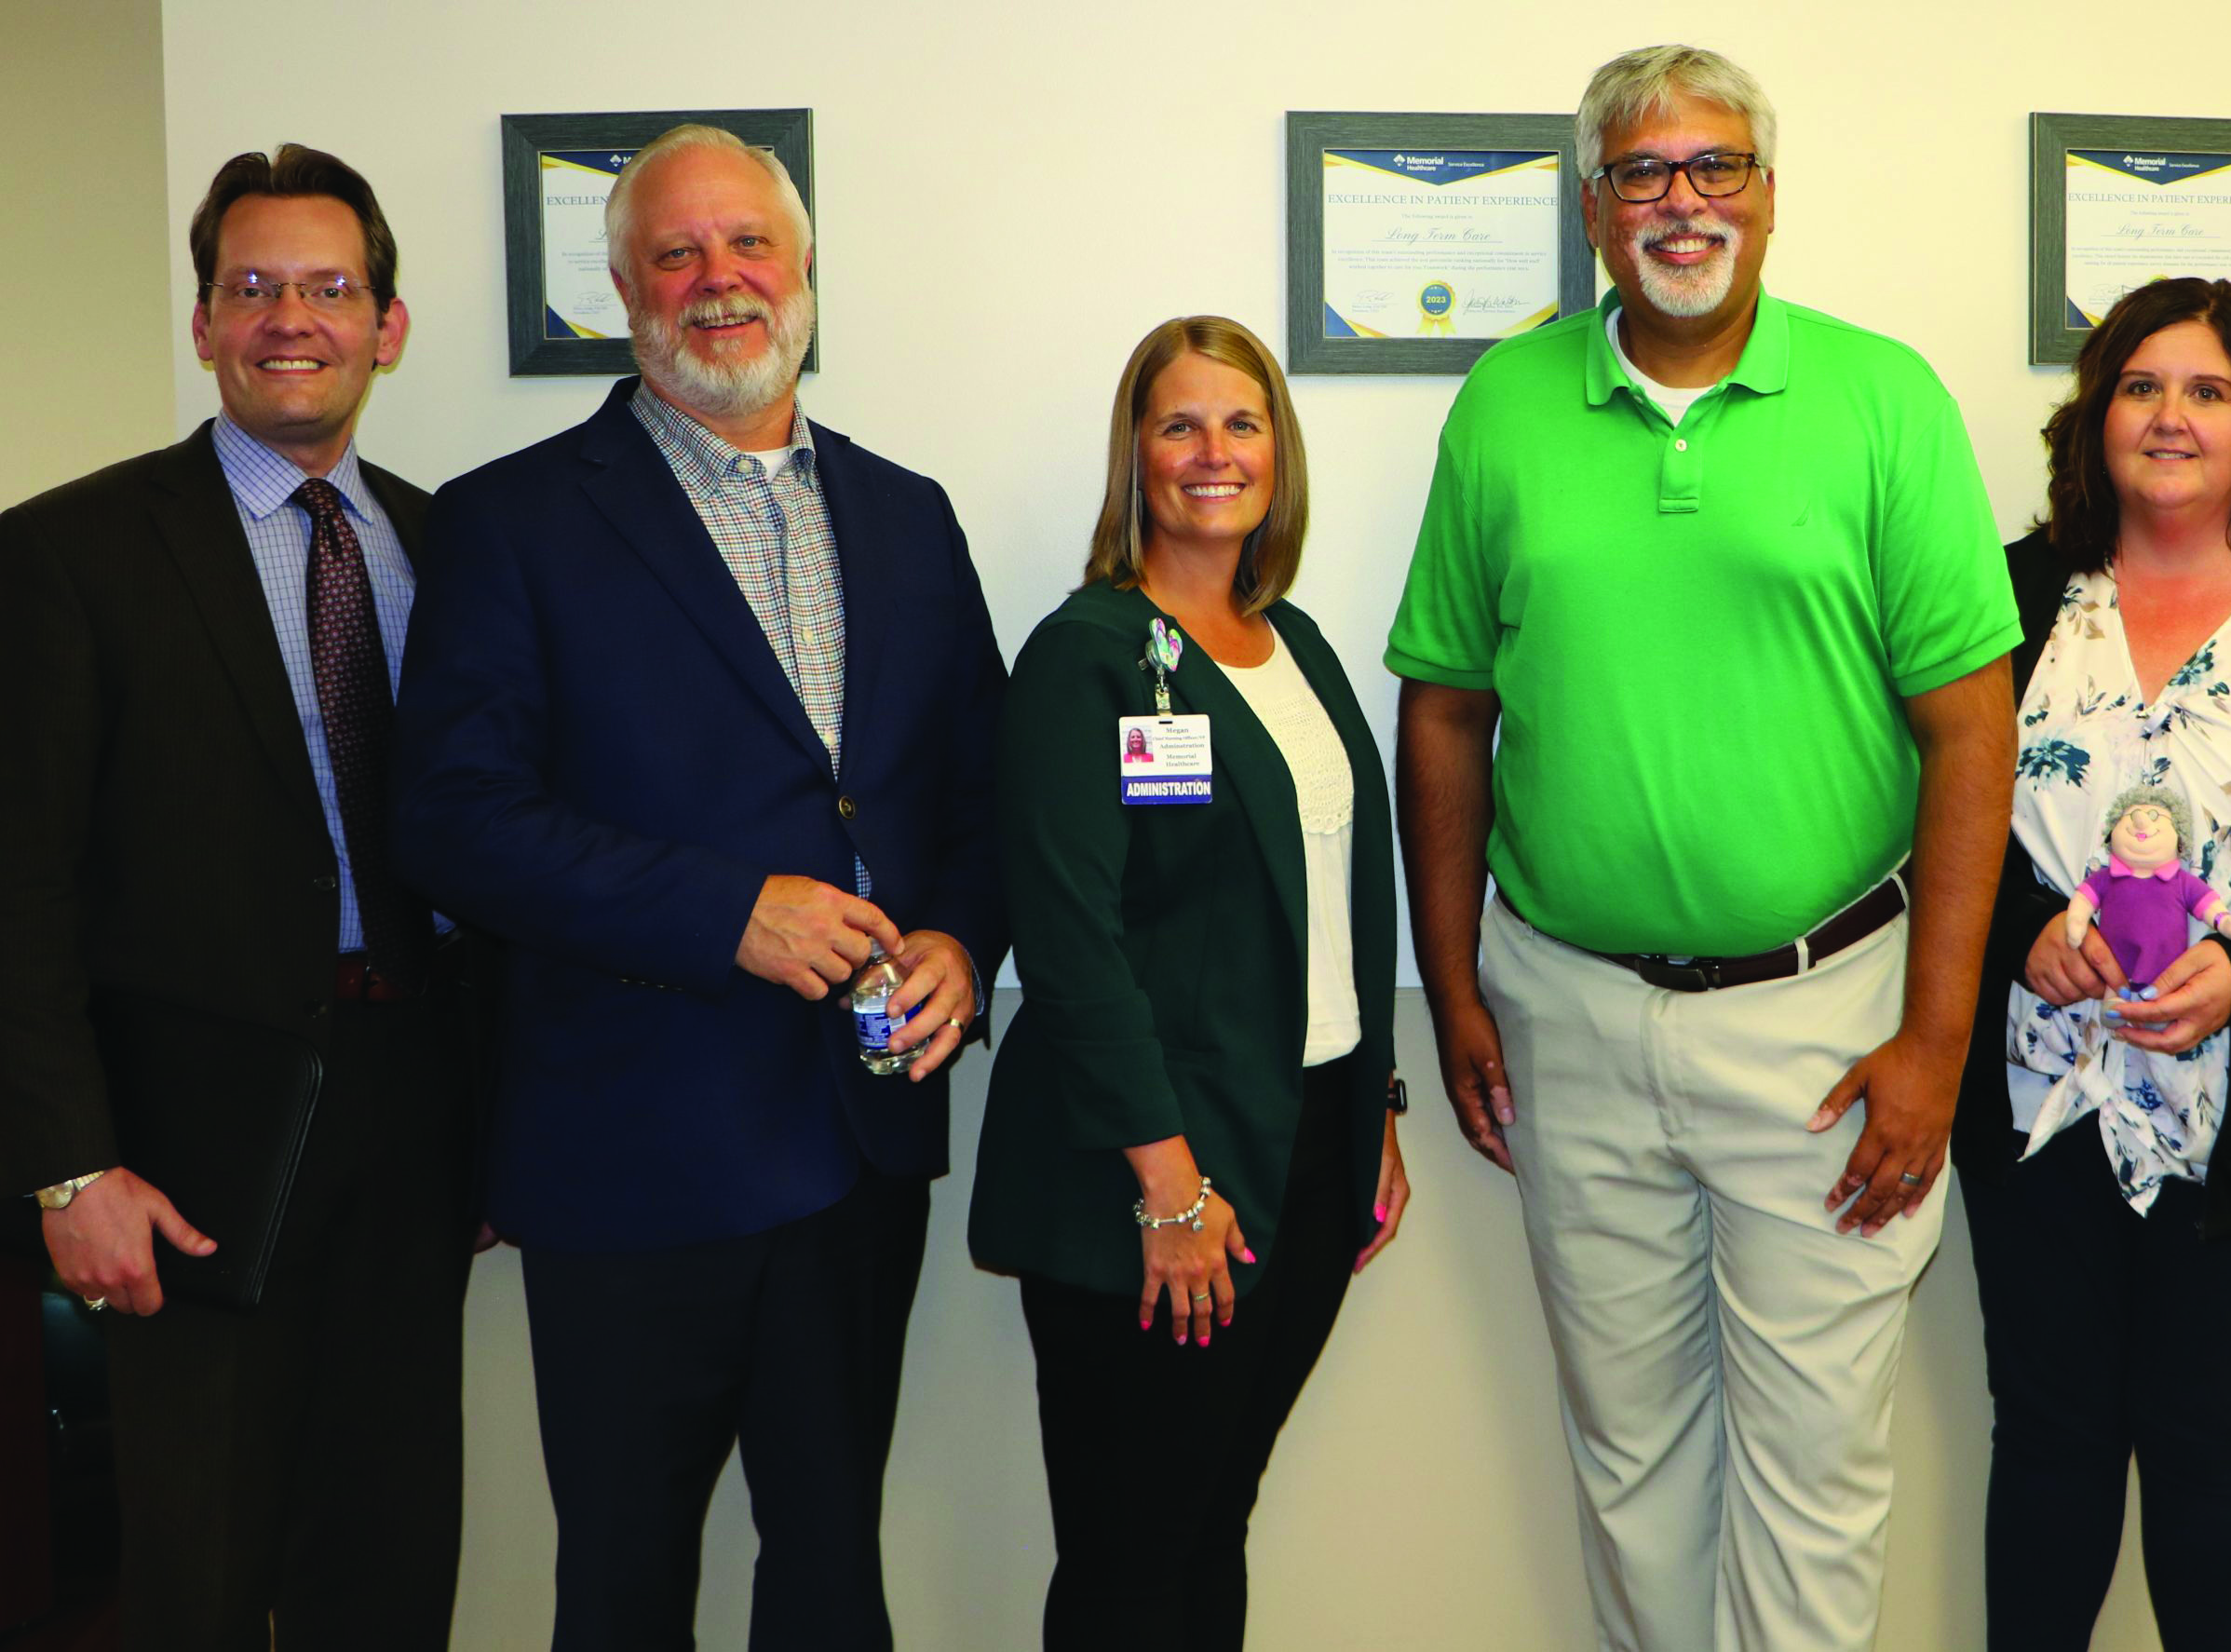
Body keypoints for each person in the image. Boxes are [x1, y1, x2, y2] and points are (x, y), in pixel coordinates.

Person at [1386, 44, 2021, 1652]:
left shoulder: (1882, 399)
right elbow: (1445, 711)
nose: (1683, 202)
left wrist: (1937, 1042)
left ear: (1769, 193)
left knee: (1816, 1476)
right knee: (1632, 1464)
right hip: (1569, 1013)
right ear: (1594, 210)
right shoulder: (1507, 404)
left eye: (1715, 165)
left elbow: (1973, 730)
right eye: (1643, 173)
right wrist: (1453, 990)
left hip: (1829, 1024)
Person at [389, 125, 1006, 1649]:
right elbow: (455, 820)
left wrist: (958, 934)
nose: (717, 280)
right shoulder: (510, 519)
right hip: (631, 1154)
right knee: (624, 1582)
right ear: (622, 291)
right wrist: (727, 912)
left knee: (832, 1573)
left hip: (860, 1141)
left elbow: (981, 798)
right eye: (675, 254)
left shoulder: (909, 513)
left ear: (805, 271)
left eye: (748, 246)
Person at [0, 145, 482, 1648]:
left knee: (390, 1559)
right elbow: (18, 886)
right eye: (253, 285)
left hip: (418, 1120)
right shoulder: (66, 553)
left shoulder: (453, 549)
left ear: (387, 327)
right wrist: (69, 1168)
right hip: (188, 1150)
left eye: (329, 288)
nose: (291, 318)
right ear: (204, 320)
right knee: (199, 1579)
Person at [1957, 275, 2231, 1652]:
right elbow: (1918, 816)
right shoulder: (2007, 595)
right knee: (2049, 1440)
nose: (2171, 416)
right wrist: (2023, 929)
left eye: (2208, 390)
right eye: (2140, 386)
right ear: (2096, 417)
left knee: (2218, 1450)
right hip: (2039, 1106)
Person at [969, 316, 1408, 1652]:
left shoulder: (1296, 647)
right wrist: (1167, 1187)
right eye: (1180, 424)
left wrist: (1375, 1110)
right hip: (1155, 1176)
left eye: (1242, 423)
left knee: (1212, 1523)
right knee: (1130, 1560)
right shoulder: (1086, 656)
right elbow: (1070, 941)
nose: (1214, 452)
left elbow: (1337, 899)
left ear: (1279, 451)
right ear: (1137, 455)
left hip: (1305, 1150)